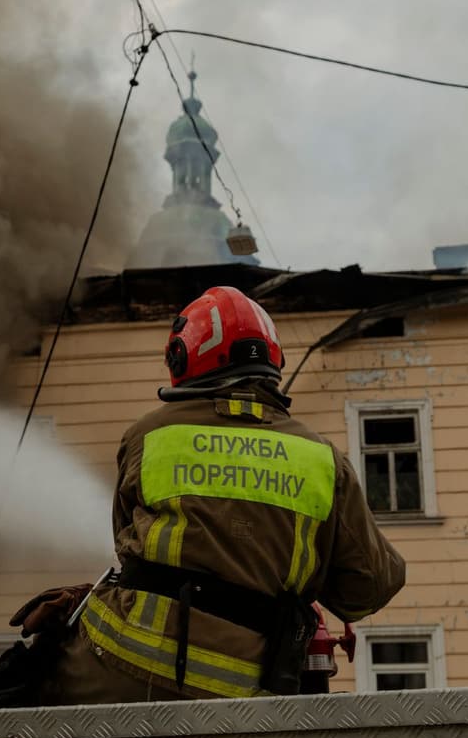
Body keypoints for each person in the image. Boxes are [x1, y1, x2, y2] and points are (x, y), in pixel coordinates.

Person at [33, 285, 407, 705]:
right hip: (254, 691)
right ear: (273, 359)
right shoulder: (322, 458)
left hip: (122, 665)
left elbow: (125, 545)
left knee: (6, 695)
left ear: (182, 356)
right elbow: (372, 586)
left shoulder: (150, 435)